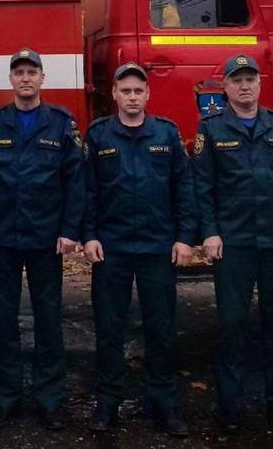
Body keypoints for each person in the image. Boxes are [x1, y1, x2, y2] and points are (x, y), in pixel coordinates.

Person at [192, 54, 273, 437]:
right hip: (234, 245)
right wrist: (209, 232)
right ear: (226, 88)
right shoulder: (211, 130)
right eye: (237, 80)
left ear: (259, 85)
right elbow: (203, 188)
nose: (244, 86)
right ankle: (229, 408)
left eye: (250, 79)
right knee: (232, 327)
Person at [81, 62, 197, 437]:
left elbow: (184, 189)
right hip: (111, 248)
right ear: (114, 94)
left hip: (157, 248)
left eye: (138, 91)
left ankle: (163, 404)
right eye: (125, 91)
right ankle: (108, 404)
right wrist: (90, 235)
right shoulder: (98, 136)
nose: (132, 97)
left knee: (161, 330)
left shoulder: (166, 133)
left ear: (148, 95)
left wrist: (184, 238)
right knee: (108, 329)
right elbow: (88, 193)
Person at [0, 47, 84, 430]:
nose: (25, 78)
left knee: (48, 321)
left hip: (45, 238)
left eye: (31, 72)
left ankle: (50, 400)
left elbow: (75, 180)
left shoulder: (60, 122)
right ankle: (5, 399)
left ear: (42, 78)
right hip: (3, 238)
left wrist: (71, 230)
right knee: (3, 323)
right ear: (10, 79)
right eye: (18, 72)